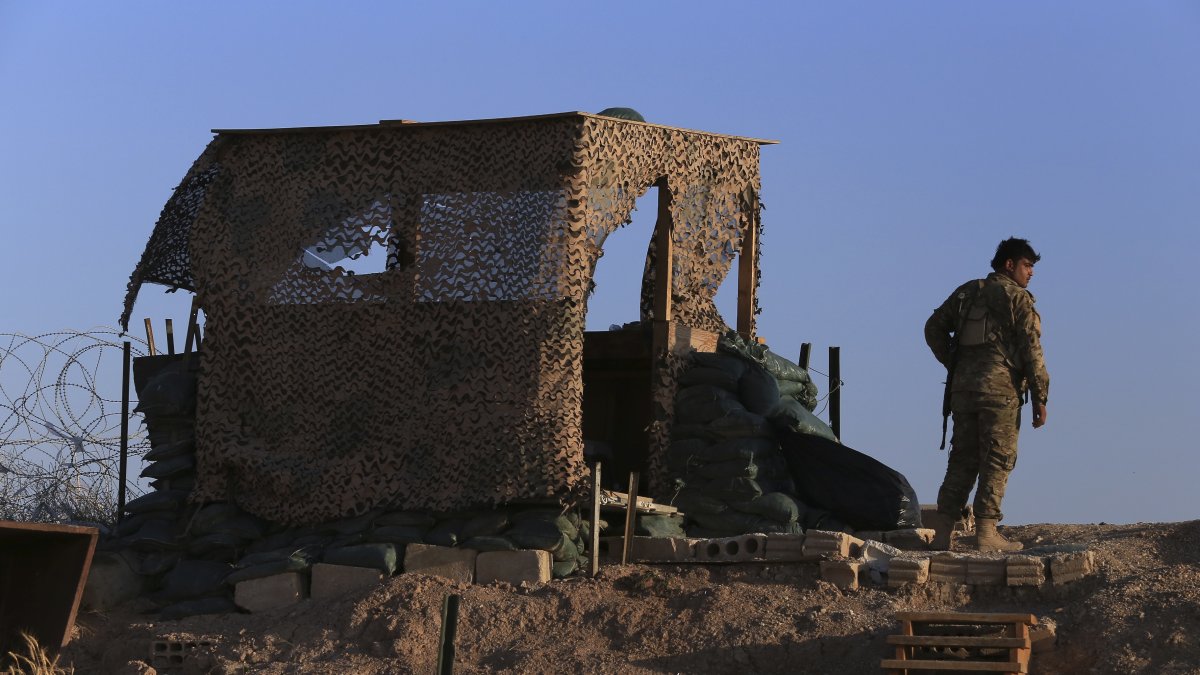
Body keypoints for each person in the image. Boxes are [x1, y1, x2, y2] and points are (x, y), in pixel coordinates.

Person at [924, 238, 1050, 552]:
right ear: (1009, 264)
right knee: (998, 458)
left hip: (963, 391)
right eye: (1027, 265)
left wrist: (955, 364)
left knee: (962, 459)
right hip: (1000, 391)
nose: (1031, 273)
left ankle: (941, 534)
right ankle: (986, 533)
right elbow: (1032, 351)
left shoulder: (968, 292)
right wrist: (1040, 397)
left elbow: (933, 328)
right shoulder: (1018, 299)